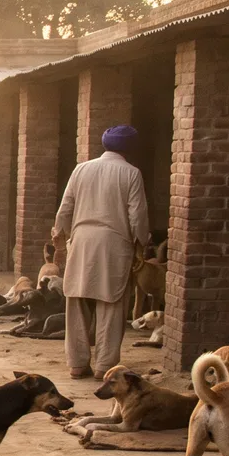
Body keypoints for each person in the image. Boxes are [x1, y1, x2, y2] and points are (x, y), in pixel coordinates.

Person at [54, 125, 150, 378]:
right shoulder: (131, 173)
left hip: (81, 241)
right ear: (130, 148)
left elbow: (65, 209)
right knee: (111, 304)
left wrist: (59, 238)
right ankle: (105, 367)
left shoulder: (81, 169)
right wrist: (142, 243)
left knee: (76, 300)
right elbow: (137, 215)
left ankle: (77, 364)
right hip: (114, 244)